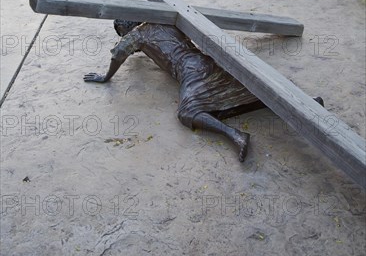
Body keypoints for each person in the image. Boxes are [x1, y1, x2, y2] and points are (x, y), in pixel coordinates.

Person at [84, 20, 323, 162]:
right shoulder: (165, 19)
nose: (122, 31)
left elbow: (117, 55)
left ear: (126, 25)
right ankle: (305, 103)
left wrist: (105, 77)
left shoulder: (136, 35)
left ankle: (234, 135)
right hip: (206, 61)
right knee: (244, 92)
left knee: (187, 113)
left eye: (120, 27)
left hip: (190, 70)